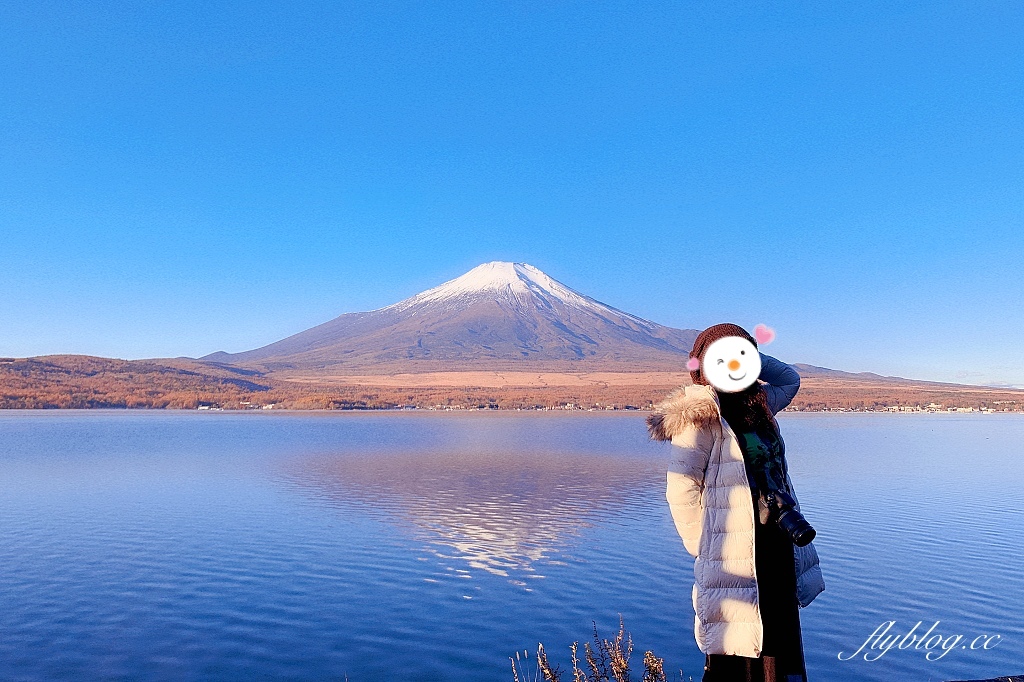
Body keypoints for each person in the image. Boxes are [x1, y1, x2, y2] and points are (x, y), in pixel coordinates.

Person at [647, 323, 824, 682]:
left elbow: (789, 380)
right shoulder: (700, 417)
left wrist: (748, 355)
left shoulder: (758, 404)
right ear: (702, 367)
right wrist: (703, 541)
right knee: (738, 637)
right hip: (733, 546)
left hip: (776, 539)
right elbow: (681, 487)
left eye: (741, 357)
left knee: (776, 633)